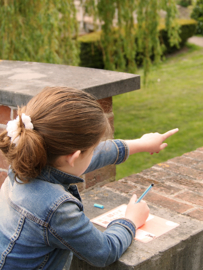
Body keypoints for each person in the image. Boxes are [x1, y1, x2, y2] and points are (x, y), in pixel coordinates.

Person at [0, 87, 178, 270]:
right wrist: (131, 220)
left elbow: (91, 156)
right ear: (74, 156)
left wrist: (141, 144)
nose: (95, 153)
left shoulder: (26, 160)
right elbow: (104, 251)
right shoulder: (56, 209)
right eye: (92, 149)